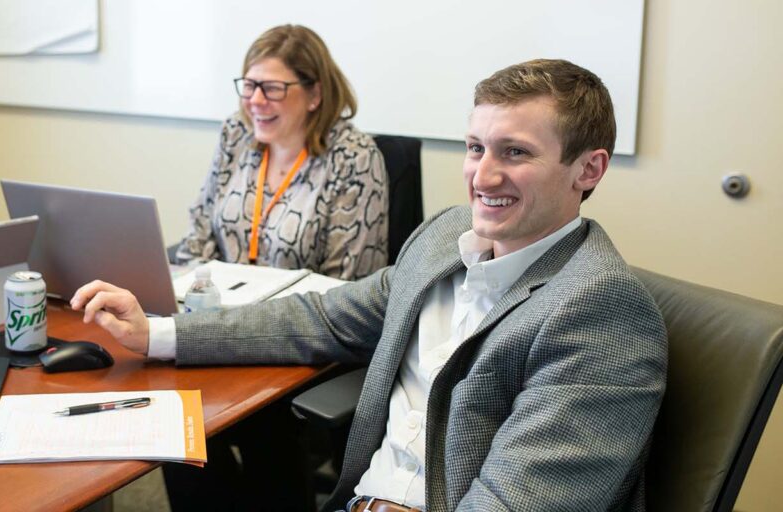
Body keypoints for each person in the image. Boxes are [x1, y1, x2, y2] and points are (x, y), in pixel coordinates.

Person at [72, 59, 668, 511]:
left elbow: (514, 501)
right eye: (475, 147)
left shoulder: (600, 312)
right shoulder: (446, 236)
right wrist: (158, 332)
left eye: (515, 153)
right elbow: (327, 318)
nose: (482, 175)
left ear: (588, 169)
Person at [174, 24, 388, 281]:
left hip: (302, 319)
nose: (256, 100)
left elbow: (347, 291)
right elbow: (197, 241)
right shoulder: (236, 133)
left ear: (315, 95)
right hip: (219, 313)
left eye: (273, 88)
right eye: (250, 85)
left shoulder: (355, 157)